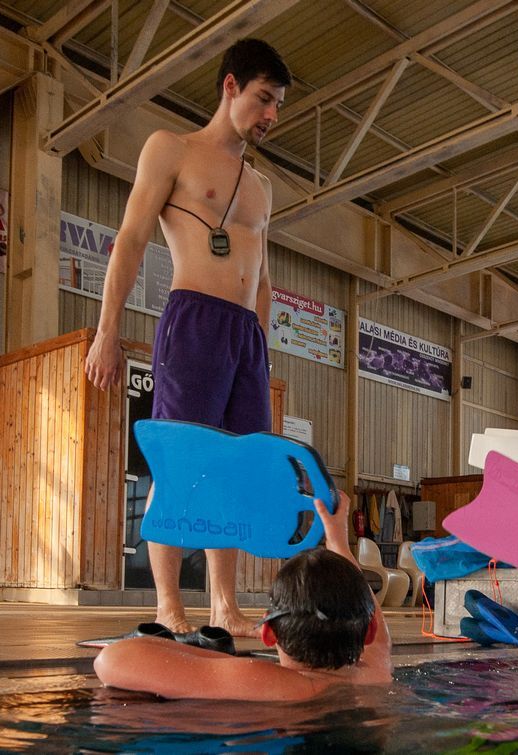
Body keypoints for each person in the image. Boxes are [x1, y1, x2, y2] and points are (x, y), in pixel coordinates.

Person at [84, 39, 291, 637]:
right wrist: (106, 332)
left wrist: (261, 352)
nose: (271, 115)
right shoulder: (170, 148)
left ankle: (224, 604)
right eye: (263, 99)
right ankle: (168, 604)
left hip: (245, 337)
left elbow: (263, 278)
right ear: (230, 86)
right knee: (180, 464)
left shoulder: (263, 186)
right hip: (193, 321)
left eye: (277, 105)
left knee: (236, 467)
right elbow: (130, 239)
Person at [94, 492, 393, 700]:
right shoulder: (375, 674)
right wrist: (339, 541)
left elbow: (112, 660)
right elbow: (380, 641)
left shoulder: (265, 683)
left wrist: (220, 661)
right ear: (368, 631)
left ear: (268, 632)